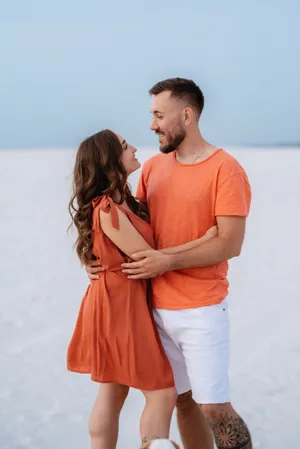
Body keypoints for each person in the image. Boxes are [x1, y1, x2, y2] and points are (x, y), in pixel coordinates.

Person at [87, 78, 253, 449]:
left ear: (187, 115)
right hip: (151, 309)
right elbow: (133, 229)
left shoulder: (226, 169)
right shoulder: (152, 170)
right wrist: (96, 259)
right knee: (181, 400)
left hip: (201, 308)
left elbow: (230, 243)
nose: (152, 125)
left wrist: (168, 261)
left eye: (160, 115)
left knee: (214, 407)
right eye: (152, 116)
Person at [67, 129, 219, 449]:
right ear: (109, 161)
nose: (134, 148)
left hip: (116, 300)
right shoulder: (107, 207)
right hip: (119, 306)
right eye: (125, 147)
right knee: (161, 391)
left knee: (113, 389)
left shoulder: (125, 202)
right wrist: (209, 241)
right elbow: (146, 258)